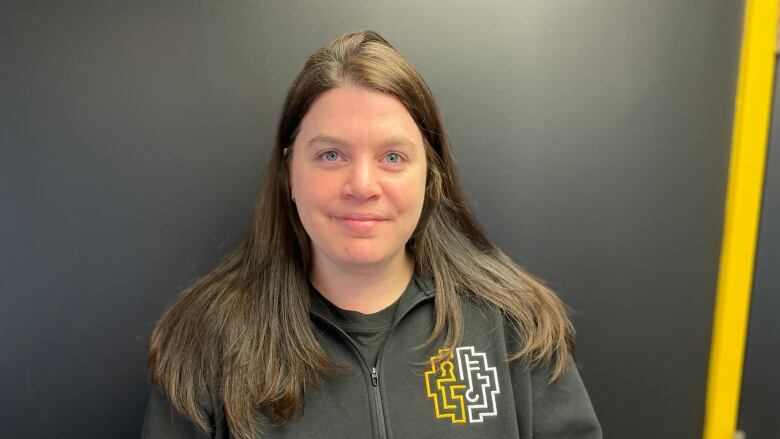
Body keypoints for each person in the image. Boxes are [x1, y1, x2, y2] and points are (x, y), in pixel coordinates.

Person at [141, 30, 602, 439]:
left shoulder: (516, 327)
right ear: (289, 173)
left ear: (430, 175)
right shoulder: (205, 342)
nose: (362, 186)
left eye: (393, 158)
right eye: (330, 155)